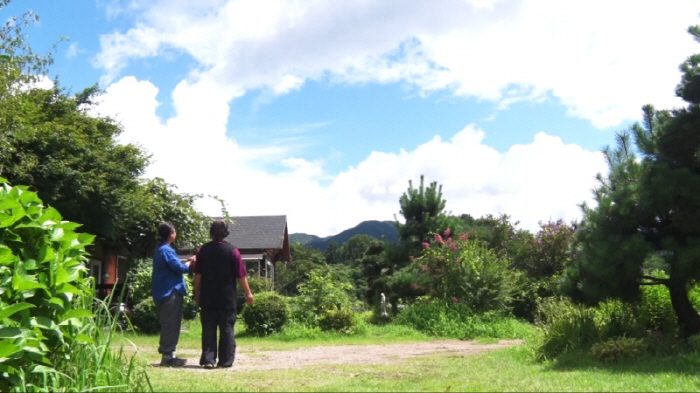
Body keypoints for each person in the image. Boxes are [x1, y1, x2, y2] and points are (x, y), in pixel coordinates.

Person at [193, 219, 254, 368]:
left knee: (208, 329)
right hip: (227, 297)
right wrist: (248, 293)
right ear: (226, 233)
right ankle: (225, 361)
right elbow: (241, 275)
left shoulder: (202, 250)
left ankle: (208, 359)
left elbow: (198, 275)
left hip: (207, 295)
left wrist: (196, 293)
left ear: (211, 232)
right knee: (227, 329)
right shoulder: (233, 251)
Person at [152, 221, 194, 367]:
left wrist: (184, 262)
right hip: (170, 291)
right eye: (174, 231)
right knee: (171, 323)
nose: (176, 233)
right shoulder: (167, 250)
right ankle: (167, 356)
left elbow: (172, 265)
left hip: (162, 291)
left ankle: (169, 354)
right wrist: (190, 263)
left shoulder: (160, 249)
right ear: (170, 234)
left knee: (168, 323)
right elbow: (180, 269)